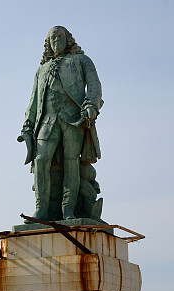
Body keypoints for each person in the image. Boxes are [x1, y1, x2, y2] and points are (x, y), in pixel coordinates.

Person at [18, 26, 103, 223]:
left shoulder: (81, 60)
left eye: (60, 36)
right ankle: (42, 209)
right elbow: (34, 101)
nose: (56, 40)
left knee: (71, 162)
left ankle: (68, 209)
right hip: (47, 122)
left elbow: (95, 86)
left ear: (68, 39)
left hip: (74, 119)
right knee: (40, 160)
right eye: (53, 37)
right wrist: (27, 126)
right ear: (48, 43)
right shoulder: (41, 69)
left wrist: (91, 105)